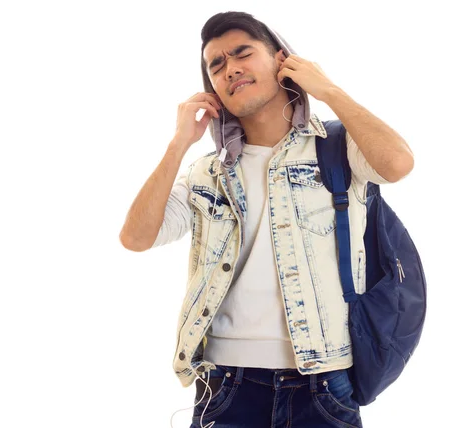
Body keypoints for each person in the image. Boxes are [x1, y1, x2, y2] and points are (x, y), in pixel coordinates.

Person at [119, 11, 414, 428]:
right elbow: (135, 236)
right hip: (226, 387)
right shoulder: (208, 173)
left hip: (325, 382)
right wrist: (178, 142)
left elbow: (398, 163)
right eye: (216, 65)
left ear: (281, 60)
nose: (230, 68)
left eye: (243, 53)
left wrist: (328, 89)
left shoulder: (336, 148)